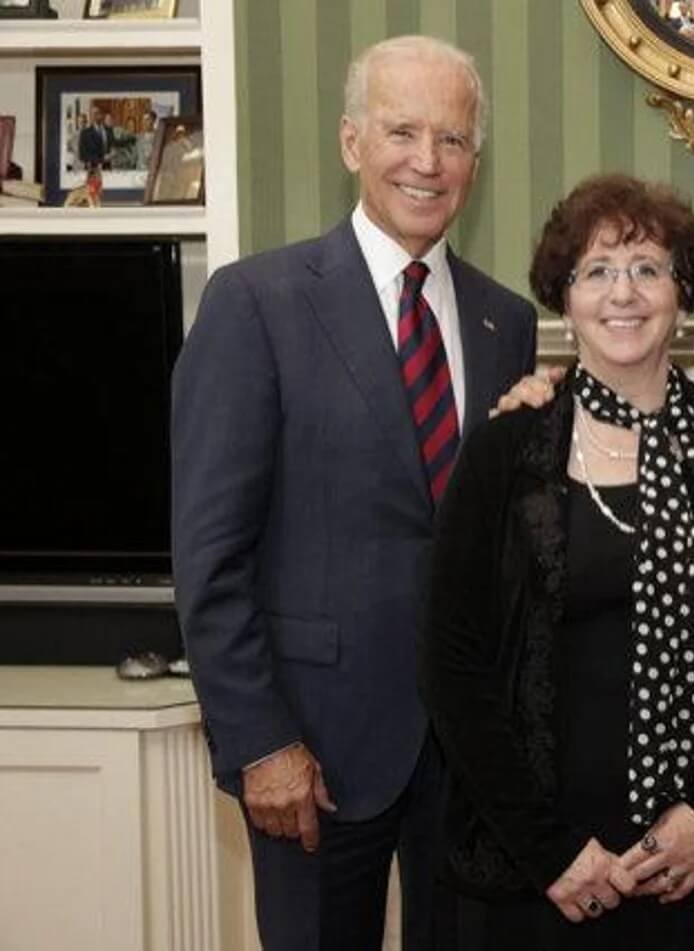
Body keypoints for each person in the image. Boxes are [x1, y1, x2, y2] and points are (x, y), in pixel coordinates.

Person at [171, 35, 537, 950]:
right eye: (401, 131)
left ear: (474, 164)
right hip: (313, 756)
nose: (427, 160)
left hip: (467, 756)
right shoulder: (255, 303)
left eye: (451, 139)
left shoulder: (507, 321)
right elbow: (209, 555)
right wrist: (258, 740)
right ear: (350, 143)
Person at [422, 173, 694, 949]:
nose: (622, 293)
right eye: (595, 271)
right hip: (543, 871)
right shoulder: (507, 450)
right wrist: (551, 851)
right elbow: (452, 663)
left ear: (683, 292)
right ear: (562, 299)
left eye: (647, 267)